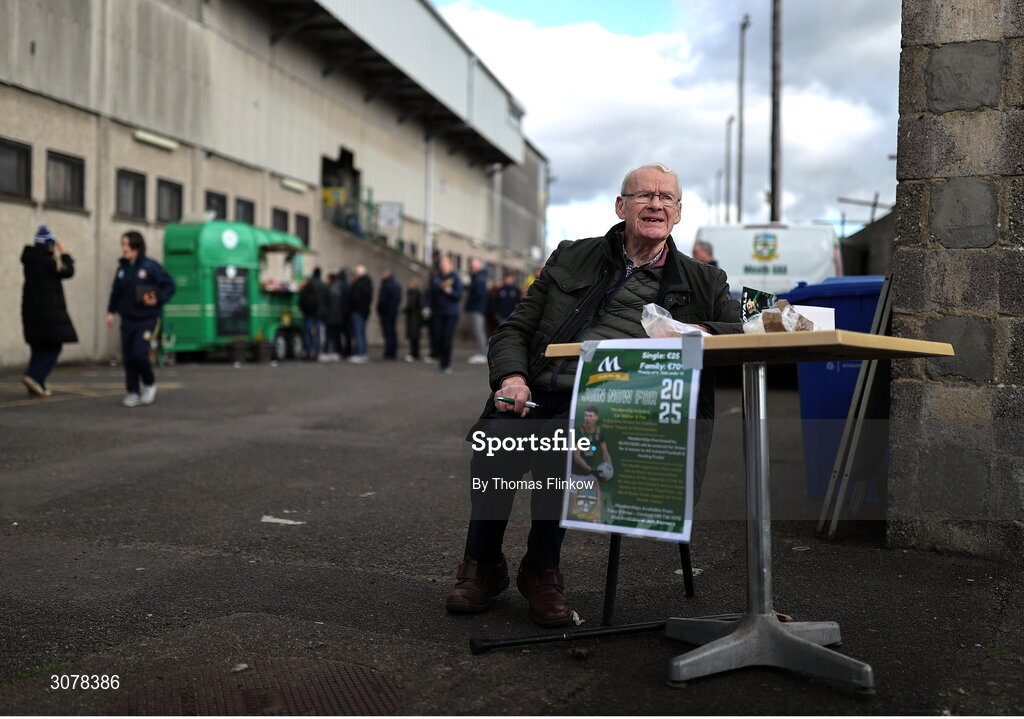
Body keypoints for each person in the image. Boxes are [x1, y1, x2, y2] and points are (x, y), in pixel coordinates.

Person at [445, 163, 742, 627]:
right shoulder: (570, 256)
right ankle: (482, 564)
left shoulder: (705, 281)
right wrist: (512, 380)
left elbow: (739, 332)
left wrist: (694, 330)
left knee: (562, 445)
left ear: (679, 214)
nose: (656, 205)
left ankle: (542, 570)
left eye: (667, 198)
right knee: (495, 440)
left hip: (623, 405)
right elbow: (514, 330)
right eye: (645, 195)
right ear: (621, 206)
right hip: (541, 390)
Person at [105, 230, 176, 407]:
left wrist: (157, 299)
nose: (124, 249)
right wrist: (110, 312)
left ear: (137, 246)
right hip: (128, 319)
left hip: (147, 319)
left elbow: (169, 285)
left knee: (139, 354)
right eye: (122, 245)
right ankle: (133, 392)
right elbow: (116, 292)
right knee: (128, 357)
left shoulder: (151, 266)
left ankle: (150, 384)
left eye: (126, 245)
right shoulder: (122, 268)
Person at [20, 225, 77, 397]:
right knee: (54, 347)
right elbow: (68, 271)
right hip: (48, 314)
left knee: (38, 347)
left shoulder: (31, 261)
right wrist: (64, 253)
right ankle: (34, 376)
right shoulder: (47, 262)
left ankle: (38, 384)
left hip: (31, 313)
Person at [424, 255, 462, 375]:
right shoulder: (436, 278)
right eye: (441, 263)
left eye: (445, 263)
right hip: (437, 313)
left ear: (450, 265)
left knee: (447, 339)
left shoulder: (455, 278)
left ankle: (445, 364)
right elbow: (429, 294)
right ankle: (440, 358)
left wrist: (450, 292)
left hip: (450, 314)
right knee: (437, 337)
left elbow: (458, 295)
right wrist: (426, 306)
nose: (442, 266)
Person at [299, 267, 328, 360]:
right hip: (320, 313)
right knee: (318, 333)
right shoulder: (323, 285)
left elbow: (302, 298)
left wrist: (304, 309)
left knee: (308, 331)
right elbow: (328, 299)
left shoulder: (309, 285)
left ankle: (309, 350)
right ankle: (318, 352)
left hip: (310, 312)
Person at [465, 258, 489, 364]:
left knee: (479, 330)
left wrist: (470, 302)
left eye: (473, 266)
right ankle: (482, 352)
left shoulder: (479, 278)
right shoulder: (479, 277)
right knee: (479, 330)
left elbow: (479, 294)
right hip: (478, 307)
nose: (471, 269)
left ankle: (482, 353)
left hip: (477, 308)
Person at [348, 264, 373, 363]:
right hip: (363, 311)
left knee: (359, 333)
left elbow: (355, 298)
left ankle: (360, 353)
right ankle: (362, 352)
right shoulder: (367, 283)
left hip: (358, 311)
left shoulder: (359, 284)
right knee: (361, 333)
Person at [376, 269, 402, 360]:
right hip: (393, 312)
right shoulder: (397, 286)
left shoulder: (386, 286)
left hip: (386, 313)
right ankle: (392, 352)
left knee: (388, 333)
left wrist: (380, 310)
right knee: (392, 333)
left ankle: (389, 353)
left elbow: (382, 301)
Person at [324, 271, 344, 361]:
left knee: (329, 335)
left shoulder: (330, 289)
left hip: (331, 316)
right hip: (338, 315)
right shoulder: (340, 287)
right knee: (336, 335)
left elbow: (328, 303)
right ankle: (337, 351)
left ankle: (329, 351)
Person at [403, 277, 424, 362]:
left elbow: (412, 305)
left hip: (414, 318)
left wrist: (406, 310)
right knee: (414, 337)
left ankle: (414, 354)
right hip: (414, 317)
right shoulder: (413, 293)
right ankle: (414, 353)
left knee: (414, 337)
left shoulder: (414, 293)